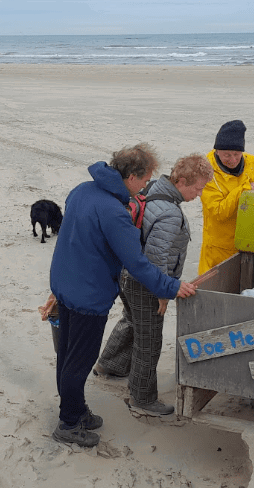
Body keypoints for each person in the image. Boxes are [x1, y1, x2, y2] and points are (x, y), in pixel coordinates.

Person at [46, 143, 198, 448]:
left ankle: (75, 410)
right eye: (144, 180)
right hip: (88, 295)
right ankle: (69, 423)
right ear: (131, 176)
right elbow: (138, 263)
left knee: (66, 354)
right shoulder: (114, 212)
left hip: (64, 283)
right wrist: (171, 286)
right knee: (79, 361)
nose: (146, 186)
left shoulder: (82, 190)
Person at [93, 154, 212, 418]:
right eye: (198, 188)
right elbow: (157, 258)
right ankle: (142, 397)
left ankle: (108, 364)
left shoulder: (152, 190)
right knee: (149, 339)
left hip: (126, 274)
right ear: (181, 181)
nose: (200, 194)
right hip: (146, 282)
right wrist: (163, 292)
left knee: (132, 320)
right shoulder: (170, 212)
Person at [198, 120, 254, 275]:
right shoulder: (205, 170)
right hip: (217, 249)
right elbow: (218, 212)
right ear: (217, 151)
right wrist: (243, 190)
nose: (232, 160)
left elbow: (252, 201)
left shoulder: (251, 162)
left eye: (237, 154)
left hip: (247, 244)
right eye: (227, 155)